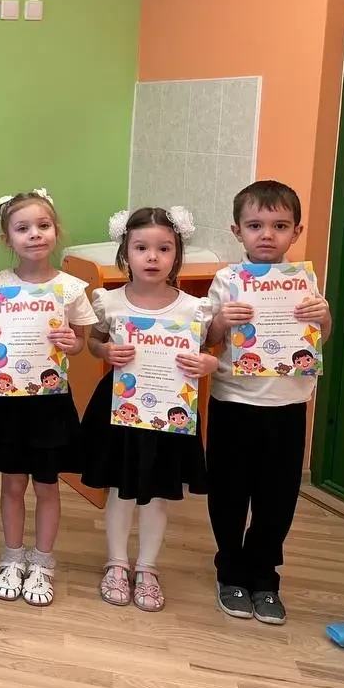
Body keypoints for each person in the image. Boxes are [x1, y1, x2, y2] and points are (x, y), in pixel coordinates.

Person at [205, 180, 333, 625]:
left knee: (277, 498)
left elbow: (318, 338)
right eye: (255, 225)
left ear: (296, 232)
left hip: (288, 405)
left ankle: (265, 575)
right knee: (228, 492)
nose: (267, 234)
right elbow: (208, 341)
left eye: (279, 226)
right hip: (234, 401)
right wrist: (221, 321)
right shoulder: (226, 280)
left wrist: (324, 318)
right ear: (237, 231)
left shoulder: (304, 279)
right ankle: (230, 570)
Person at [79, 206, 218, 613]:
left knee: (156, 494)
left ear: (177, 254)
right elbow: (93, 343)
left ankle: (148, 567)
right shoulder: (108, 301)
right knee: (120, 490)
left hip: (169, 414)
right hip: (120, 409)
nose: (152, 257)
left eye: (164, 248)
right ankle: (116, 563)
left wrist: (207, 363)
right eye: (141, 248)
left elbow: (210, 351)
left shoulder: (194, 309)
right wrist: (105, 351)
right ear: (126, 252)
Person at [0, 189, 96, 606]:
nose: (35, 235)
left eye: (43, 226)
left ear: (56, 231)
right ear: (7, 238)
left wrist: (72, 343)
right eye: (23, 228)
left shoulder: (70, 288)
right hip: (7, 401)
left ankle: (42, 562)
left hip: (49, 403)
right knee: (11, 484)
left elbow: (80, 343)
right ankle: (12, 556)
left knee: (47, 486)